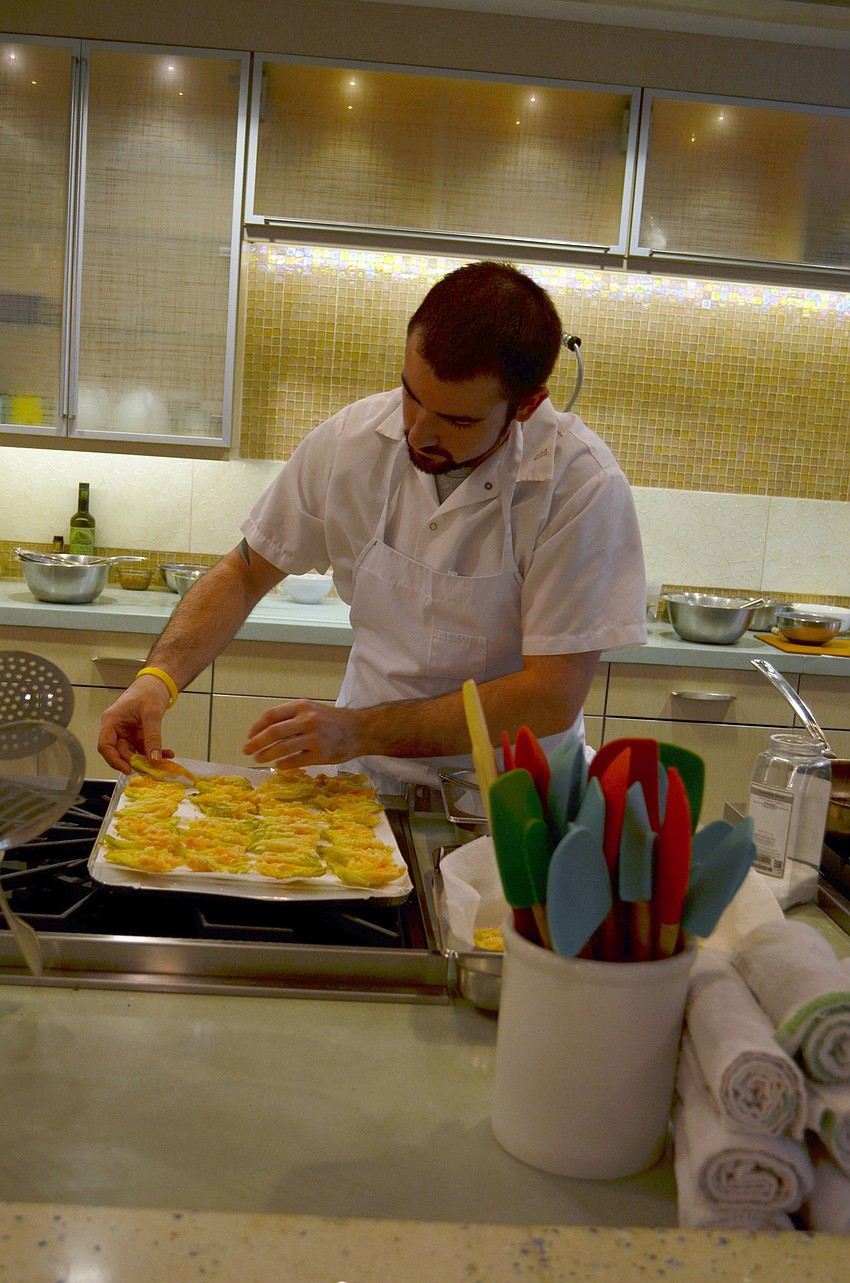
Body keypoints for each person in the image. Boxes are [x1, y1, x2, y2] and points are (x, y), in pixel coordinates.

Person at [98, 261, 647, 782]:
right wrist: (158, 679)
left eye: (456, 420)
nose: (417, 433)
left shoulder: (580, 486)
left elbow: (548, 695)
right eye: (411, 395)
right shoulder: (352, 442)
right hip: (363, 785)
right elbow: (245, 573)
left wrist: (359, 729)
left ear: (526, 406)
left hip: (512, 805)